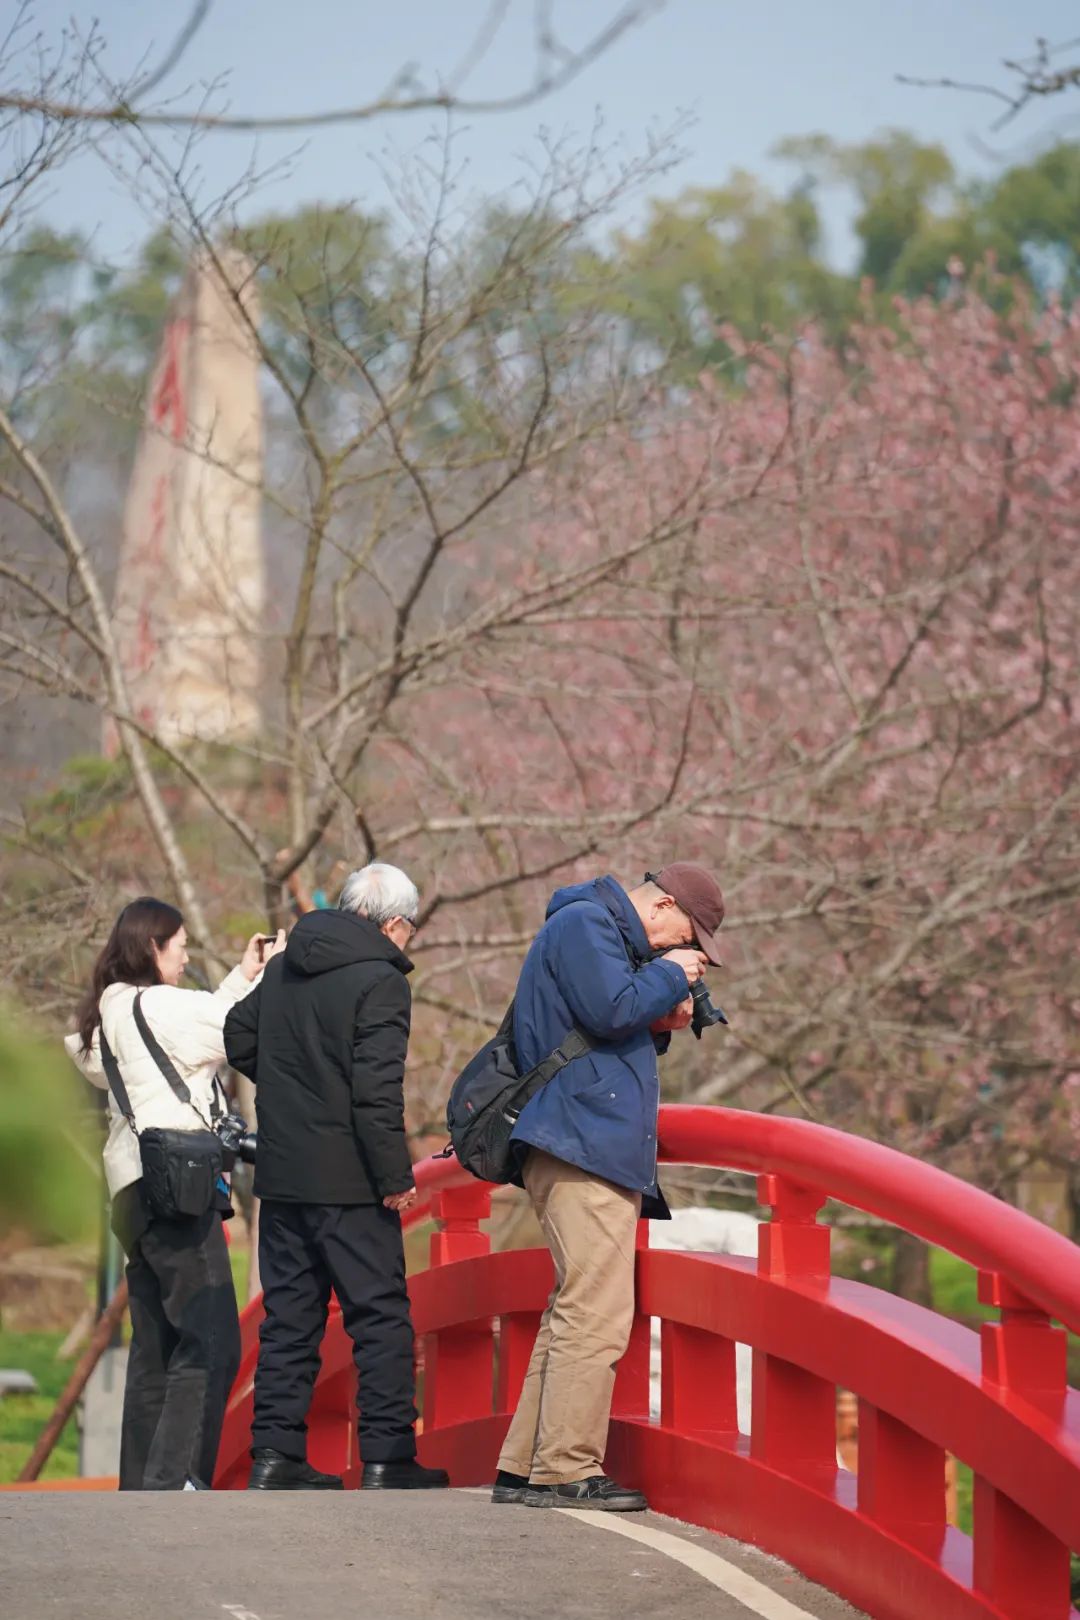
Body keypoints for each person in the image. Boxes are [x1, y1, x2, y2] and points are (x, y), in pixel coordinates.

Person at [492, 862, 724, 1512]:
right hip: (580, 1142)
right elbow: (610, 1007)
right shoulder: (585, 924)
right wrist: (670, 977)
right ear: (664, 905)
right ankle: (565, 1467)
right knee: (596, 1312)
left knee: (575, 1307)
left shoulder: (595, 930)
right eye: (689, 936)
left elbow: (606, 1023)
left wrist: (664, 1014)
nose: (687, 950)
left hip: (582, 1139)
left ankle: (526, 1466)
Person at [223, 861, 448, 1492]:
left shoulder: (291, 963)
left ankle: (273, 1455)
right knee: (379, 1316)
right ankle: (387, 1457)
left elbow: (239, 1034)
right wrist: (393, 1175)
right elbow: (376, 1093)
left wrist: (296, 1086)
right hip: (349, 1180)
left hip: (284, 1172)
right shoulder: (381, 980)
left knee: (289, 1316)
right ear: (396, 923)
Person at [66, 898, 282, 1490]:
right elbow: (232, 1028)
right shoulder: (161, 1007)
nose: (187, 958)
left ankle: (141, 1490)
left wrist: (244, 973)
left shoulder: (108, 1015)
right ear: (151, 948)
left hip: (133, 1193)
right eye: (179, 947)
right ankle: (175, 1483)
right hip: (179, 1191)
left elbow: (209, 1018)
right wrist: (271, 974)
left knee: (156, 1350)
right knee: (211, 1339)